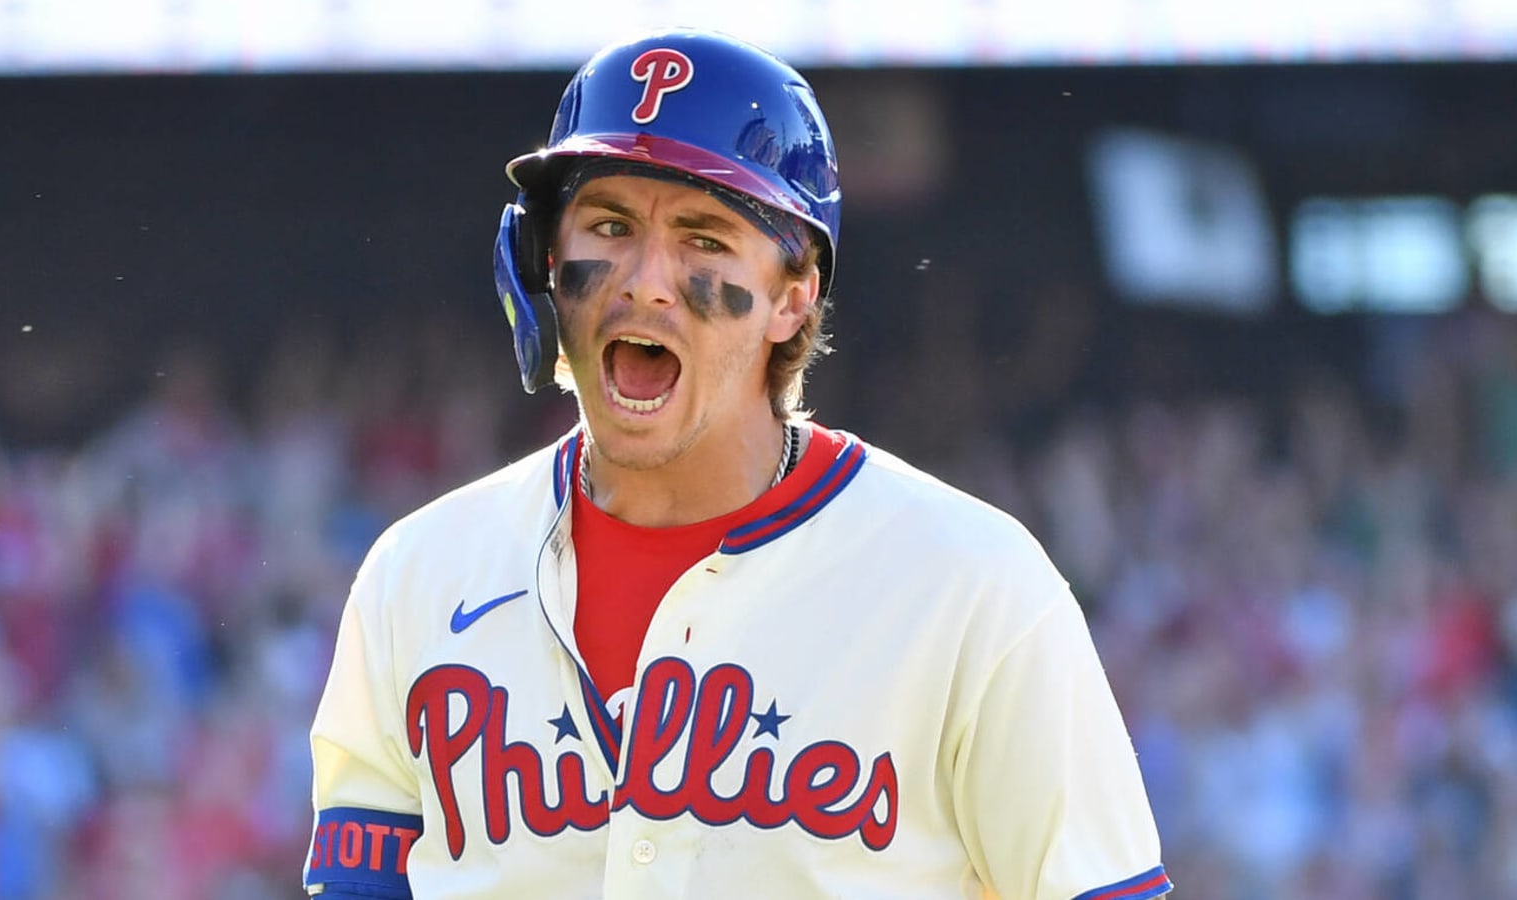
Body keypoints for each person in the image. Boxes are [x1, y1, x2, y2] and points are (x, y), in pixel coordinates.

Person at [303, 28, 1170, 900]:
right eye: (609, 226)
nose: (645, 280)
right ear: (543, 262)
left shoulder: (973, 586)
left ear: (794, 299)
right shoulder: (416, 578)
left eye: (704, 238)